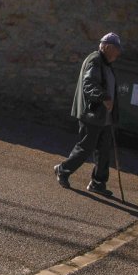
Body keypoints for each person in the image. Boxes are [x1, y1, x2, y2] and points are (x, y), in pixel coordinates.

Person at [54, 33, 122, 197]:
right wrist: (104, 97)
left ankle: (98, 183)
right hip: (91, 113)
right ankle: (62, 170)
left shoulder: (106, 63)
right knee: (86, 147)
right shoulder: (95, 60)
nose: (118, 54)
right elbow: (89, 84)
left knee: (104, 151)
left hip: (104, 117)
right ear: (106, 46)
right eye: (116, 50)